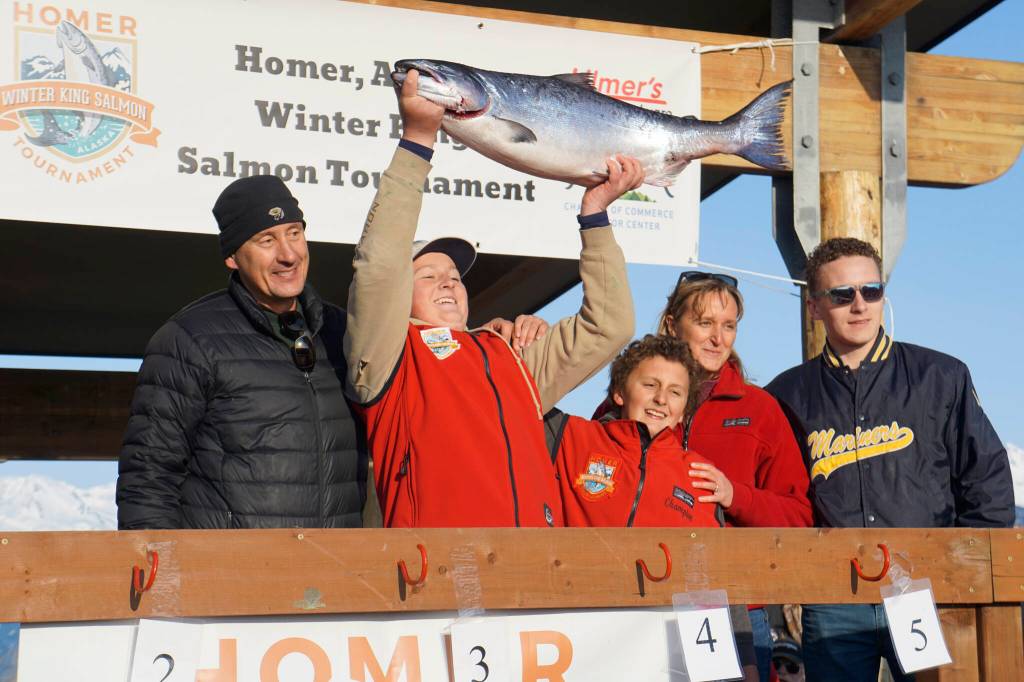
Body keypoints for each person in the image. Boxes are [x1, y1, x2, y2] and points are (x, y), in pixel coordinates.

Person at [343, 69, 638, 528]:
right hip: (437, 576)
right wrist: (417, 143)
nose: (448, 281)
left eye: (454, 276)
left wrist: (595, 216)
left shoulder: (510, 357)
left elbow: (609, 327)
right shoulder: (389, 356)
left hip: (532, 578)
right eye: (428, 274)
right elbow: (379, 266)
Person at [765, 237, 1014, 682]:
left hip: (929, 586)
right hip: (833, 594)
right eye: (842, 295)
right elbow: (779, 498)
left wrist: (967, 572)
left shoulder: (942, 375)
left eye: (871, 290)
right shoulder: (785, 394)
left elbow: (987, 482)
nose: (859, 305)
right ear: (814, 308)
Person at [594, 271, 812, 680]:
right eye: (705, 323)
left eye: (728, 325)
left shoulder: (760, 409)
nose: (719, 338)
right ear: (673, 324)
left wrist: (736, 496)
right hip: (637, 601)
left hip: (732, 607)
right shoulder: (631, 398)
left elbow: (799, 516)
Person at [117, 176, 365, 528]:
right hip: (230, 574)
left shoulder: (344, 333)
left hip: (338, 571)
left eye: (294, 233)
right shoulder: (189, 340)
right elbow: (148, 475)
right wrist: (165, 578)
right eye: (267, 240)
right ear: (233, 257)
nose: (288, 255)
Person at [548, 334, 723, 528]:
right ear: (619, 392)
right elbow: (520, 396)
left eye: (675, 392)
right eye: (650, 385)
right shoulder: (571, 436)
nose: (661, 399)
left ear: (684, 411)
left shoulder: (700, 477)